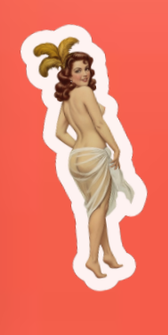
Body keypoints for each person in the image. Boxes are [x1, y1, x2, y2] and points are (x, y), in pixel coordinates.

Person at [32, 40, 134, 279]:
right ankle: (91, 259)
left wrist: (78, 146)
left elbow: (59, 132)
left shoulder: (67, 100)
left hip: (77, 159)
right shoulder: (86, 93)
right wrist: (116, 147)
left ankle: (107, 253)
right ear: (68, 74)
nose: (85, 73)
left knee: (95, 207)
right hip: (94, 157)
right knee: (98, 208)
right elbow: (99, 123)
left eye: (86, 68)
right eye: (78, 70)